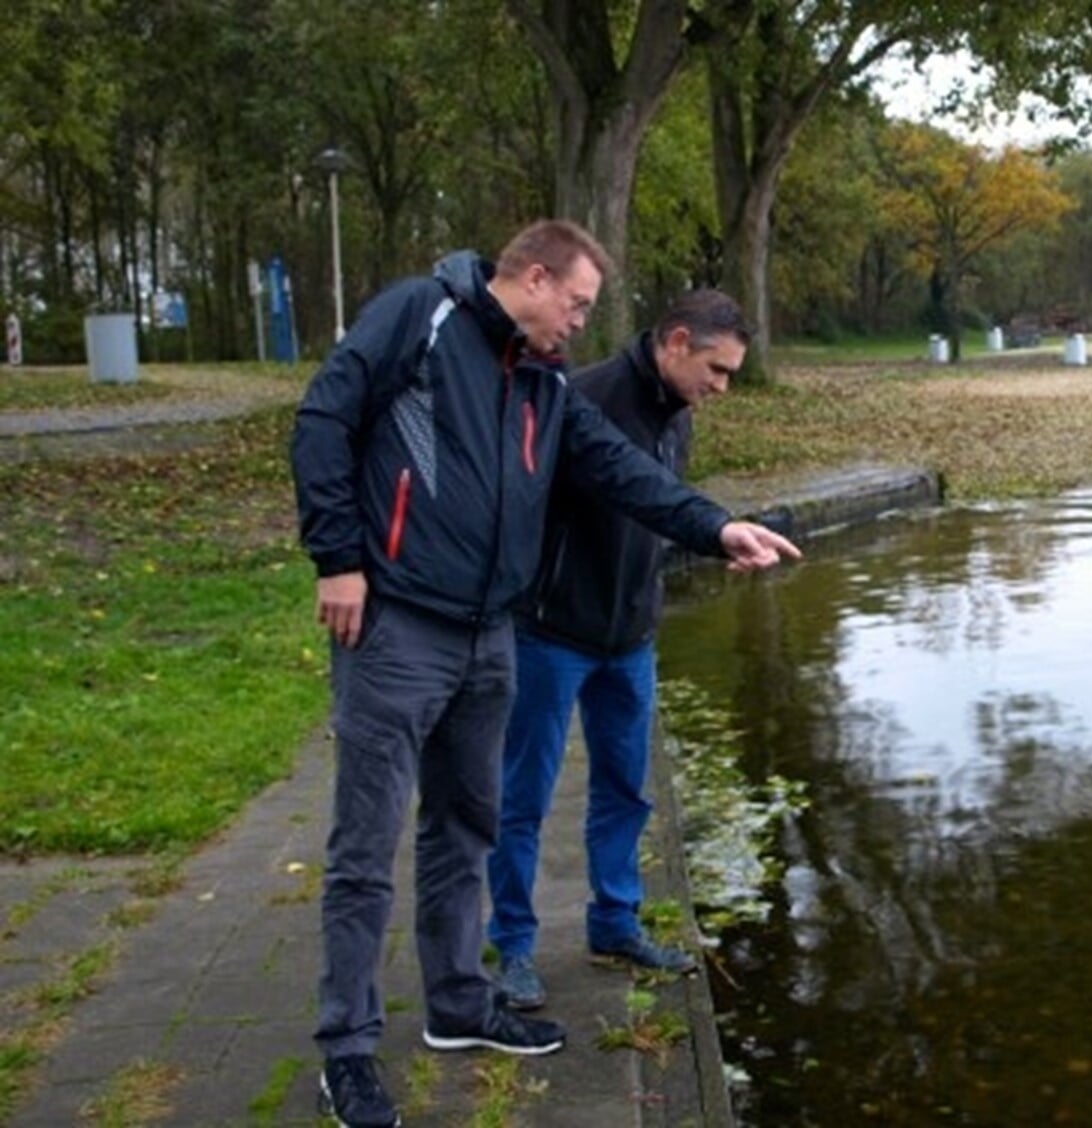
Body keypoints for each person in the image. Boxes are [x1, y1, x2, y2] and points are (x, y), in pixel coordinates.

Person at [289, 222, 798, 1128]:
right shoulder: (419, 315)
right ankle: (349, 1051)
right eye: (577, 303)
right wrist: (337, 557)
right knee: (365, 846)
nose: (580, 322)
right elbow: (325, 417)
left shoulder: (543, 380)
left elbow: (615, 469)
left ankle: (455, 1003)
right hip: (398, 621)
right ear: (533, 278)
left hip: (492, 635)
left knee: (467, 825)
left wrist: (715, 527)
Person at [486, 289, 750, 1011]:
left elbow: (656, 506)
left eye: (729, 375)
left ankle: (614, 922)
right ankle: (512, 947)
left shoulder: (676, 413)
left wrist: (705, 544)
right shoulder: (583, 396)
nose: (719, 388)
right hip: (551, 631)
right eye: (715, 369)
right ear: (673, 341)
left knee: (626, 789)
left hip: (630, 636)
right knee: (523, 796)